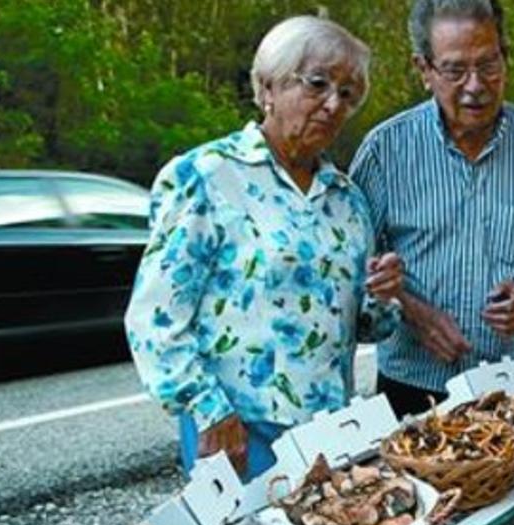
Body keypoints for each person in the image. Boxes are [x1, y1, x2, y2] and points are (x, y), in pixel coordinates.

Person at [125, 16, 403, 482]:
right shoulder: (208, 176)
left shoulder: (347, 199)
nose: (333, 104)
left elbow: (366, 327)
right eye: (317, 84)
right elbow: (154, 320)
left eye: (348, 94)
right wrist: (209, 410)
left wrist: (383, 293)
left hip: (329, 432)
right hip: (237, 430)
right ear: (268, 86)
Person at [350, 0, 514, 418]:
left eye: (489, 65)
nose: (475, 85)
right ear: (424, 69)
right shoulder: (384, 152)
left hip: (511, 383)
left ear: (505, 59)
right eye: (455, 70)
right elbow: (355, 269)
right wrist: (414, 310)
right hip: (409, 384)